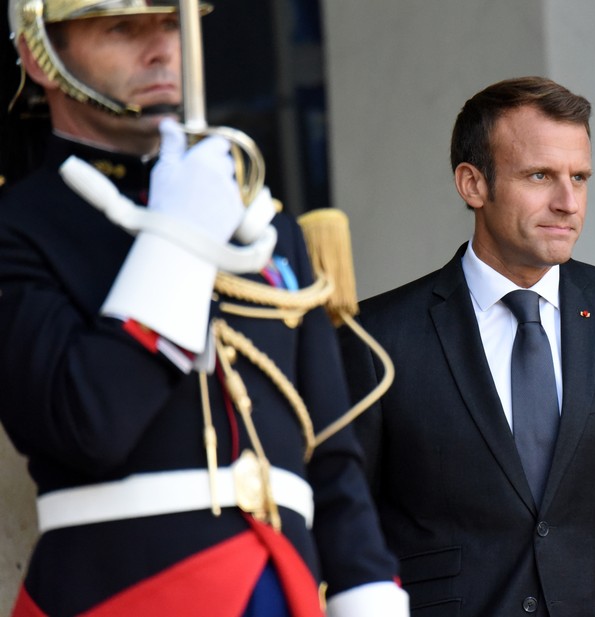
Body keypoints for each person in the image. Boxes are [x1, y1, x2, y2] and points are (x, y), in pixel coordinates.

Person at [0, 1, 409, 615]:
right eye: (121, 28)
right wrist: (177, 239)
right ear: (39, 55)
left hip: (287, 586)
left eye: (172, 24)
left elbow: (328, 453)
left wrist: (367, 597)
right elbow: (89, 423)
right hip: (124, 593)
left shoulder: (266, 227)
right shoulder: (21, 224)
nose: (162, 49)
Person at [340, 76, 595, 616]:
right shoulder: (375, 336)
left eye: (580, 177)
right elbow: (341, 524)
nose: (568, 202)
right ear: (473, 184)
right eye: (540, 175)